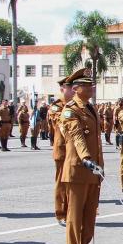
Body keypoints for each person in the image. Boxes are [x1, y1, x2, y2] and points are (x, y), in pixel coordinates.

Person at [60, 67, 107, 244]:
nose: (91, 88)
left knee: (89, 215)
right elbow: (77, 137)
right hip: (78, 169)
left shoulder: (90, 108)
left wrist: (100, 166)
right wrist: (87, 158)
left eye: (91, 85)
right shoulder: (71, 110)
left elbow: (96, 141)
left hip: (92, 170)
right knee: (75, 215)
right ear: (76, 88)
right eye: (87, 85)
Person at [47, 77, 73, 226]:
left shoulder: (76, 105)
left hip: (75, 151)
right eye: (70, 87)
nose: (73, 90)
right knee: (62, 183)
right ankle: (61, 213)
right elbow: (61, 122)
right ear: (62, 88)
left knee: (73, 183)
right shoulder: (57, 106)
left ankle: (72, 211)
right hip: (63, 149)